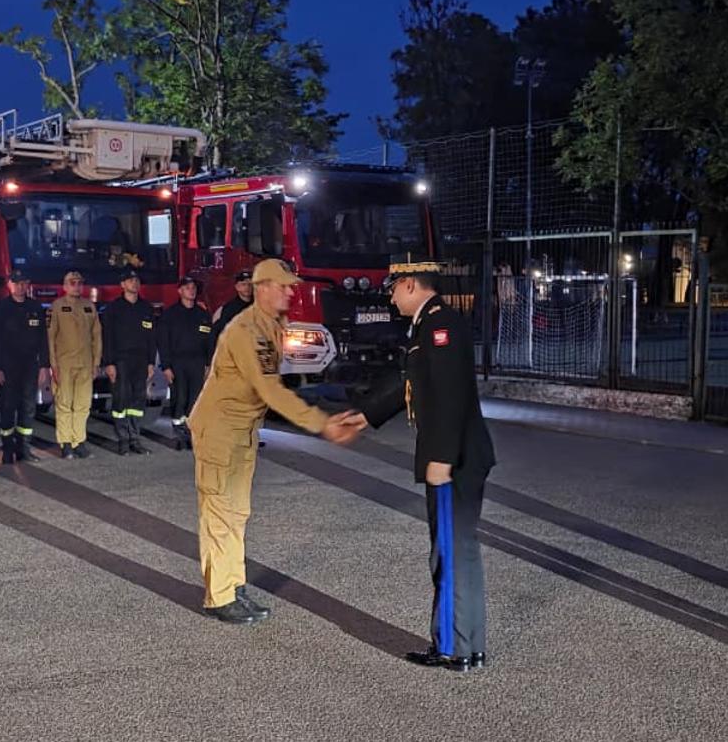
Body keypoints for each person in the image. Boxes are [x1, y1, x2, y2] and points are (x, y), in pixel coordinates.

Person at [189, 258, 363, 624]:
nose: (290, 291)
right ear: (261, 287)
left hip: (240, 429)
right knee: (221, 513)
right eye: (282, 285)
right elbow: (269, 389)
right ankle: (219, 596)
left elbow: (272, 385)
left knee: (236, 512)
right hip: (220, 430)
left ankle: (233, 586)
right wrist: (322, 424)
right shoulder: (245, 330)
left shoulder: (271, 325)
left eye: (290, 285)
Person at [357, 261, 497, 672]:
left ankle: (457, 647)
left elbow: (450, 396)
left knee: (451, 553)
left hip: (454, 460)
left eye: (393, 289)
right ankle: (462, 643)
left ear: (410, 284)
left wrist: (441, 457)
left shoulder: (441, 326)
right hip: (455, 456)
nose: (390, 296)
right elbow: (412, 384)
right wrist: (366, 416)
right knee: (453, 551)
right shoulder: (428, 324)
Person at [0, 270, 49, 464]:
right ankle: (7, 450)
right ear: (10, 285)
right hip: (8, 367)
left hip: (30, 366)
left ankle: (24, 449)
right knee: (8, 407)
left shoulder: (36, 307)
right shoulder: (2, 308)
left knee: (28, 408)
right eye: (16, 283)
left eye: (23, 283)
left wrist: (44, 366)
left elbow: (43, 341)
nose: (20, 286)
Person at [102, 271, 159, 455]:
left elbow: (151, 338)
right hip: (121, 361)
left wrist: (151, 362)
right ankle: (123, 440)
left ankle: (135, 438)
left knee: (138, 401)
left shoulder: (146, 308)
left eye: (136, 280)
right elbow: (107, 338)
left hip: (141, 361)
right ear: (122, 285)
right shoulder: (114, 309)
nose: (134, 283)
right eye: (130, 280)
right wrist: (109, 363)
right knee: (121, 400)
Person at [48, 270, 102, 459]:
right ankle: (66, 443)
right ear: (64, 286)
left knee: (82, 405)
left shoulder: (89, 306)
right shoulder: (56, 306)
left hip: (85, 364)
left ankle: (79, 441)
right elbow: (50, 337)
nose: (77, 286)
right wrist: (52, 365)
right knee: (64, 404)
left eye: (79, 283)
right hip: (64, 364)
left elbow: (97, 336)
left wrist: (96, 362)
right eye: (72, 283)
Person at [157, 277, 213, 450]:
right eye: (187, 288)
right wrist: (166, 366)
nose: (191, 290)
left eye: (193, 288)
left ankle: (192, 432)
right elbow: (163, 342)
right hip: (177, 363)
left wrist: (208, 364)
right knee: (179, 398)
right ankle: (180, 433)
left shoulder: (202, 315)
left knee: (195, 399)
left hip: (197, 363)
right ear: (180, 291)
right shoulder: (170, 315)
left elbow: (209, 341)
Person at [206, 269, 254, 359]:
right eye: (243, 284)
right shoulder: (229, 309)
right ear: (237, 287)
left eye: (250, 284)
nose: (247, 287)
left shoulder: (259, 305)